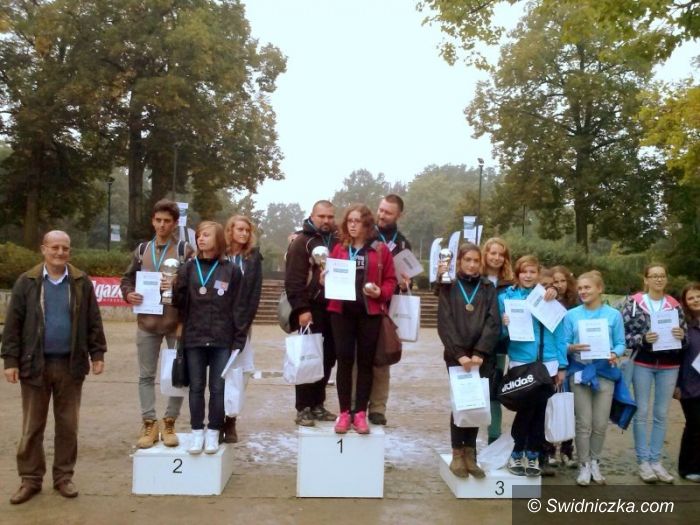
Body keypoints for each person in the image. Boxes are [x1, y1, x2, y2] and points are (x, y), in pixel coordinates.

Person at [2, 231, 107, 504]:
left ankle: (63, 477)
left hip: (70, 366)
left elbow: (93, 320)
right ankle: (30, 479)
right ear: (43, 249)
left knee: (68, 426)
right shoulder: (27, 281)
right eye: (55, 247)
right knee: (32, 427)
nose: (60, 252)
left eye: (65, 248)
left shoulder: (81, 282)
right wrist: (10, 360)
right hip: (34, 365)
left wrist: (97, 353)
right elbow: (13, 324)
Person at [121, 199, 192, 449]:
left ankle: (169, 422)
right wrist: (128, 294)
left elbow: (193, 283)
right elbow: (127, 279)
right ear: (153, 221)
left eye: (167, 221)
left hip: (175, 323)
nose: (162, 225)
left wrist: (177, 284)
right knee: (146, 376)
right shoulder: (142, 250)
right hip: (147, 323)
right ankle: (149, 423)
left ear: (175, 224)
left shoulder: (184, 250)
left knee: (177, 376)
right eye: (158, 220)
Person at [173, 221, 248, 454]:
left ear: (218, 239)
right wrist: (173, 286)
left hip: (222, 339)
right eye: (199, 235)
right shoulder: (188, 268)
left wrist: (239, 338)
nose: (200, 239)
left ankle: (214, 432)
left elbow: (240, 306)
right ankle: (197, 432)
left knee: (218, 388)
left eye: (206, 235)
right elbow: (178, 302)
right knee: (196, 387)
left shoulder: (231, 270)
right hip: (194, 337)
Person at [325, 204, 397, 434]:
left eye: (357, 221)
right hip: (341, 313)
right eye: (349, 221)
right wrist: (324, 278)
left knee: (366, 363)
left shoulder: (380, 249)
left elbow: (391, 280)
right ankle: (344, 412)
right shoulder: (339, 248)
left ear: (367, 224)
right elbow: (326, 278)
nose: (353, 225)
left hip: (369, 313)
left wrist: (381, 292)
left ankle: (360, 413)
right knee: (344, 361)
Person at [437, 243, 500, 478]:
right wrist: (459, 354)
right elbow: (445, 322)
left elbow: (493, 321)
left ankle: (470, 454)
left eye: (476, 260)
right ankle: (457, 453)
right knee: (461, 402)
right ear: (459, 262)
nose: (472, 265)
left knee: (476, 402)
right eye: (467, 260)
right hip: (458, 357)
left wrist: (480, 352)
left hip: (480, 357)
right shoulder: (449, 285)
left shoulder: (487, 287)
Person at [499, 255, 566, 477]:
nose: (528, 276)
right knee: (525, 410)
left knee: (540, 411)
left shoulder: (547, 298)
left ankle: (534, 454)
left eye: (532, 272)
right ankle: (517, 452)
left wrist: (562, 365)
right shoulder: (505, 297)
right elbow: (499, 334)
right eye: (524, 272)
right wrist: (504, 325)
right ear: (517, 274)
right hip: (522, 360)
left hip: (548, 362)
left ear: (538, 274)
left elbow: (560, 334)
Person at [621, 263, 686, 483]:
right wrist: (642, 339)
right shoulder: (633, 303)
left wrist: (681, 336)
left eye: (662, 275)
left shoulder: (674, 305)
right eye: (654, 276)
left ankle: (656, 461)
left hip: (670, 365)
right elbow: (623, 335)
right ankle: (643, 462)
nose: (658, 279)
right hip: (643, 363)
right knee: (641, 412)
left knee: (661, 414)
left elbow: (685, 336)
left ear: (666, 279)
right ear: (646, 279)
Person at [563, 271, 626, 486]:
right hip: (580, 371)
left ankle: (595, 461)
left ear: (599, 289)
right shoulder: (571, 315)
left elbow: (621, 343)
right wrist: (572, 347)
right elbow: (563, 343)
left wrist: (615, 353)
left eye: (587, 287)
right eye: (580, 288)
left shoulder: (613, 315)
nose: (583, 291)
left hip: (604, 372)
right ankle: (583, 464)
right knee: (584, 423)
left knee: (600, 423)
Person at [284, 200, 338, 426]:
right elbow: (293, 281)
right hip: (311, 309)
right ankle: (303, 407)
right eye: (321, 216)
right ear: (312, 216)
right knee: (308, 357)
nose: (326, 221)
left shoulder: (338, 241)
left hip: (334, 308)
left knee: (327, 359)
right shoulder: (302, 242)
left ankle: (318, 404)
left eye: (330, 217)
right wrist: (302, 309)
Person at [368, 194, 412, 426]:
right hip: (362, 304)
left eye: (388, 212)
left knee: (382, 359)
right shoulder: (365, 233)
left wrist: (406, 284)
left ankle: (377, 408)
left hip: (387, 308)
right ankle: (355, 405)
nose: (382, 215)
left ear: (399, 215)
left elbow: (407, 278)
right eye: (381, 210)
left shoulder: (403, 244)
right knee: (356, 359)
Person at [222, 214, 263, 443]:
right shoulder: (220, 254)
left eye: (247, 230)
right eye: (240, 229)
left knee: (239, 373)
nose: (244, 234)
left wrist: (244, 324)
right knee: (219, 371)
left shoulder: (252, 258)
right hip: (218, 322)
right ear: (230, 230)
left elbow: (255, 293)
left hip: (242, 323)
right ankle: (215, 419)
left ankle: (231, 420)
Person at [544, 265, 578, 468]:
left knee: (567, 405)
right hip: (554, 359)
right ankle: (548, 449)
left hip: (575, 361)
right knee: (550, 403)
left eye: (562, 281)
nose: (558, 285)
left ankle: (567, 449)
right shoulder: (546, 303)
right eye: (554, 282)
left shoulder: (576, 303)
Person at [481, 237, 514, 445]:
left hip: (499, 346)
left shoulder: (510, 284)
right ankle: (466, 443)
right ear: (485, 254)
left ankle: (493, 438)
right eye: (493, 253)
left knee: (494, 393)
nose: (496, 258)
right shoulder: (476, 279)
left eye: (501, 254)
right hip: (476, 345)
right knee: (474, 393)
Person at [677, 283, 700, 483]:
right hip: (689, 383)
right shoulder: (682, 325)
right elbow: (675, 355)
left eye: (698, 296)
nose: (695, 300)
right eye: (691, 298)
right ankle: (687, 467)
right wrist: (676, 384)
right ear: (685, 302)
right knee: (695, 424)